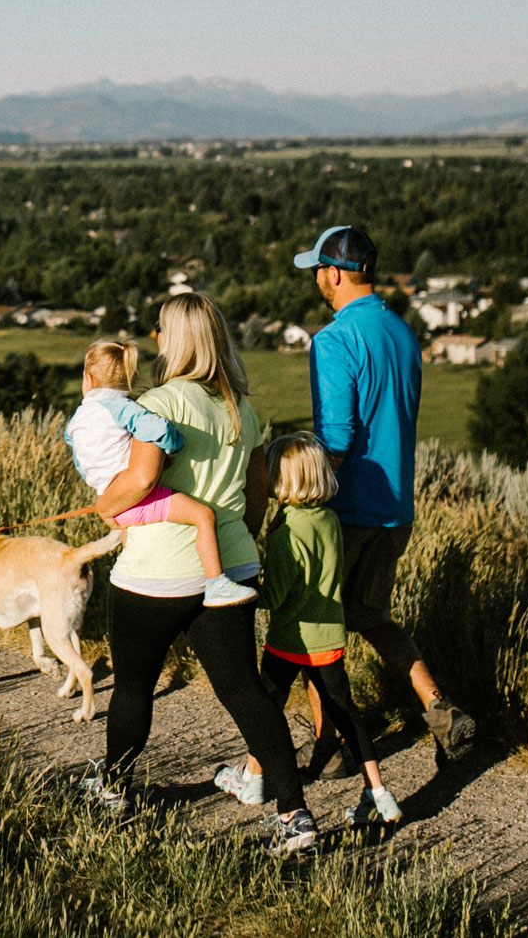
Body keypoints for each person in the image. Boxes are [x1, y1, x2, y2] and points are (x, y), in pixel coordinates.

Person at [76, 293, 320, 852]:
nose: (157, 340)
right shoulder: (243, 408)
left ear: (175, 340)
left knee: (136, 684)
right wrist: (239, 544)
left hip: (158, 567)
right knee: (245, 692)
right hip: (230, 563)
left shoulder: (158, 403)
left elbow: (139, 479)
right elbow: (257, 497)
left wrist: (106, 506)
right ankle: (294, 816)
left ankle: (113, 788)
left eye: (161, 330)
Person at [293, 224, 477, 763]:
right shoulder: (402, 333)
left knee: (316, 628)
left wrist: (294, 495)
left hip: (346, 506)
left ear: (332, 273)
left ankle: (333, 746)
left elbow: (336, 440)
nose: (317, 281)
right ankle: (439, 706)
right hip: (396, 505)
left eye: (317, 272)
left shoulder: (333, 340)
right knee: (372, 615)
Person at [213, 432, 402, 829]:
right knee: (347, 713)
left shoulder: (286, 533)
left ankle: (254, 778)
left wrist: (241, 588)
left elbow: (277, 597)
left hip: (289, 640)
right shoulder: (330, 519)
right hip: (329, 638)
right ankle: (379, 794)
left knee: (265, 708)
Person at [64, 339, 256, 607]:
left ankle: (127, 563)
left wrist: (101, 484)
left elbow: (76, 453)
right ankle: (216, 583)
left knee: (132, 529)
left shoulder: (77, 420)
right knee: (203, 516)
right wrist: (175, 447)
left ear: (88, 380)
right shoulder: (123, 409)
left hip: (109, 493)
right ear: (130, 379)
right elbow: (158, 431)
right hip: (135, 496)